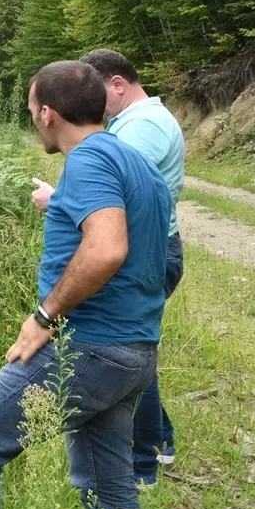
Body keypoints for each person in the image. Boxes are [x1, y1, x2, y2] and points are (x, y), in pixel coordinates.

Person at [0, 61, 169, 509]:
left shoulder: (89, 158)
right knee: (110, 481)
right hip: (135, 350)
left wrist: (44, 316)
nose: (33, 121)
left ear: (48, 113)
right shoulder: (135, 162)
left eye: (30, 111)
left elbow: (108, 246)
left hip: (90, 348)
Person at [31, 49, 185, 485]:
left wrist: (44, 315)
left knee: (123, 353)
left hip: (140, 257)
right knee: (130, 353)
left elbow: (110, 227)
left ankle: (149, 453)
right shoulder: (124, 133)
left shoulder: (134, 132)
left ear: (116, 84)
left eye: (98, 92)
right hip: (143, 253)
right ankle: (146, 453)